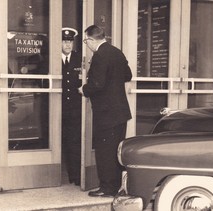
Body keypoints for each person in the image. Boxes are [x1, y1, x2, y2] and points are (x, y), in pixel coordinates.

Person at [78, 25, 132, 197]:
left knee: (104, 150)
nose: (87, 44)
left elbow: (97, 84)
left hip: (106, 112)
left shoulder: (100, 55)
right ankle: (116, 186)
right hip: (120, 112)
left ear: (93, 40)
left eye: (86, 41)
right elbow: (127, 75)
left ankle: (107, 188)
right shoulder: (117, 52)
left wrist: (84, 90)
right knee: (115, 150)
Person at [61, 27, 82, 186]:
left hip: (74, 109)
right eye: (64, 41)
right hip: (56, 107)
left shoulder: (79, 59)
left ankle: (75, 176)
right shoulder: (51, 58)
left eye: (69, 41)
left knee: (73, 142)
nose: (67, 44)